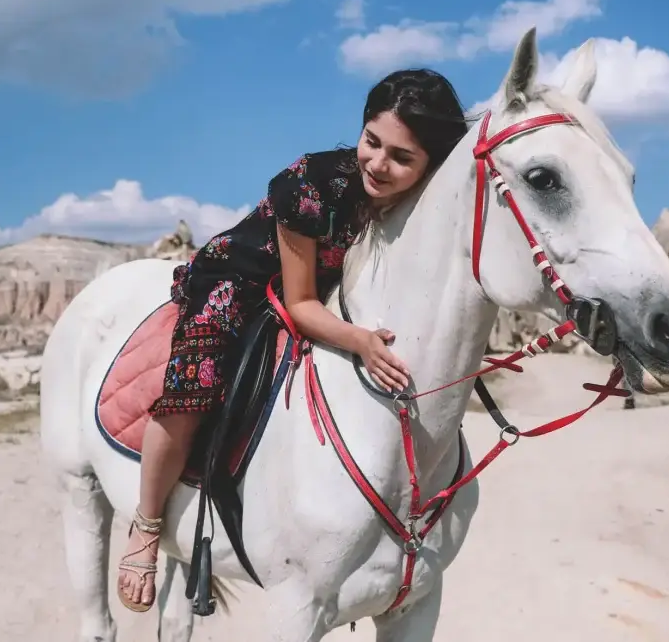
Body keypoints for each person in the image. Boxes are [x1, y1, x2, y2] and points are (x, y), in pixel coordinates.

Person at [117, 68, 470, 612]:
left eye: (402, 158)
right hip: (244, 283)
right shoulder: (310, 187)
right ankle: (147, 522)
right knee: (195, 384)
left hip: (330, 293)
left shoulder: (425, 202)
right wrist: (361, 341)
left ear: (430, 165)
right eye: (372, 142)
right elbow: (300, 303)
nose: (378, 164)